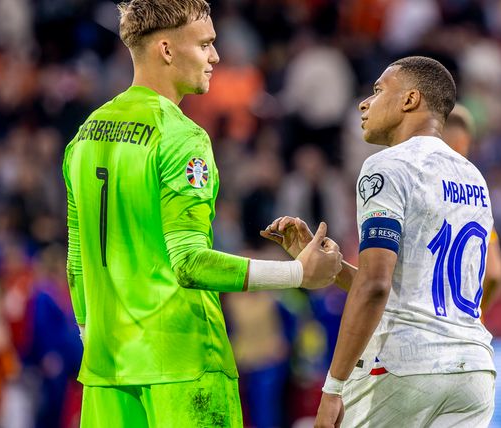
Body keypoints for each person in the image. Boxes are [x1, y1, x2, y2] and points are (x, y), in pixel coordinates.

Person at [62, 1, 342, 427]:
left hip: (107, 369)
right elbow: (190, 262)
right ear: (167, 49)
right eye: (206, 44)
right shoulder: (180, 136)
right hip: (183, 364)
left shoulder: (85, 136)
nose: (215, 57)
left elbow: (76, 263)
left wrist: (95, 338)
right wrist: (298, 275)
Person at [262, 56, 496, 427]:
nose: (364, 103)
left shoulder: (387, 166)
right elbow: (407, 293)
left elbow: (375, 286)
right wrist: (336, 269)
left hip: (403, 366)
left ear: (409, 100)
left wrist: (332, 388)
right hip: (473, 372)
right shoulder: (473, 177)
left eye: (377, 90)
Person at [442, 104, 501, 310]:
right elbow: (495, 272)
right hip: (465, 325)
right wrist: (476, 313)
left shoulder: (420, 189)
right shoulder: (474, 198)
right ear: (465, 142)